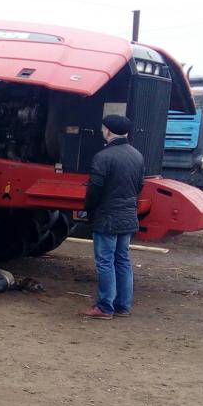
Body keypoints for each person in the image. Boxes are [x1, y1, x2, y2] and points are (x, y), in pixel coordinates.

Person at [80, 114, 145, 319]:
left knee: (105, 262)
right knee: (122, 260)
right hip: (127, 215)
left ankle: (105, 307)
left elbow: (95, 190)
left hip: (107, 216)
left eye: (103, 129)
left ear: (108, 131)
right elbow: (139, 185)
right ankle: (123, 306)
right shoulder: (137, 155)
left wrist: (88, 210)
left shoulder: (103, 157)